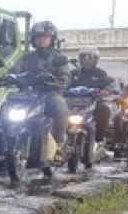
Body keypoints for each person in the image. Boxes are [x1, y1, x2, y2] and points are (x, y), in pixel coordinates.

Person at [9, 21, 71, 158]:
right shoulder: (27, 57)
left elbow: (65, 74)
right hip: (28, 94)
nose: (41, 40)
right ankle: (6, 140)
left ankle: (59, 144)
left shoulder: (58, 57)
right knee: (6, 106)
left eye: (45, 37)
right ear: (33, 39)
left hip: (49, 93)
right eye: (38, 37)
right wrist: (6, 77)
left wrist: (61, 80)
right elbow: (15, 69)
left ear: (52, 39)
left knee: (59, 105)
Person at [69, 45, 116, 142]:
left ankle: (99, 139)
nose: (87, 60)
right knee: (56, 112)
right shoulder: (73, 73)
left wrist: (107, 90)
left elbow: (110, 83)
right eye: (84, 57)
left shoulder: (100, 73)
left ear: (96, 59)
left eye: (90, 57)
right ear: (80, 58)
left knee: (104, 110)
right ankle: (58, 141)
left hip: (93, 103)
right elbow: (64, 83)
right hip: (72, 104)